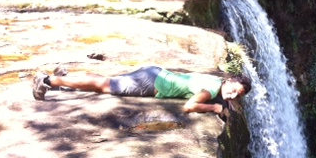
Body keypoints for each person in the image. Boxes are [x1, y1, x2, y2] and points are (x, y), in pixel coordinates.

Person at [32, 65, 251, 114]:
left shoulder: (216, 82)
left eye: (237, 95)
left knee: (108, 82)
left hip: (155, 73)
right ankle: (48, 81)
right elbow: (188, 107)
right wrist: (214, 108)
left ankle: (65, 78)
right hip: (150, 83)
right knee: (105, 86)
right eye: (234, 89)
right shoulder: (211, 90)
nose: (233, 95)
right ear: (228, 81)